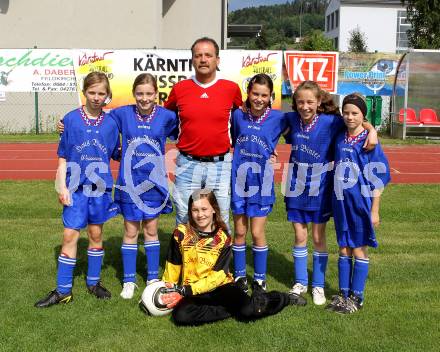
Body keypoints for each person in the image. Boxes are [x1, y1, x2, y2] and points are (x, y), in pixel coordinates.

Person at [284, 81, 378, 306]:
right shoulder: (289, 120)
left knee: (318, 238)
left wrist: (372, 130)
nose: (305, 106)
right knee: (299, 237)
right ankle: (300, 282)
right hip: (295, 186)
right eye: (300, 102)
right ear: (295, 103)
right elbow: (266, 122)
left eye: (309, 101)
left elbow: (354, 118)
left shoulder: (331, 122)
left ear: (318, 102)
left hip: (321, 188)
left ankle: (317, 285)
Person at [159, 188, 306, 326]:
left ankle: (284, 298)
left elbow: (217, 277)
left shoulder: (223, 238)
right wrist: (167, 289)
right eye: (195, 210)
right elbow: (173, 264)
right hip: (193, 289)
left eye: (204, 209)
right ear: (190, 212)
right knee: (181, 316)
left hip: (220, 287)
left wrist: (185, 291)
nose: (200, 214)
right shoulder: (181, 233)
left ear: (213, 210)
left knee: (250, 311)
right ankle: (232, 311)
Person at [35, 72, 120, 308]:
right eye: (92, 92)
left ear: (107, 96)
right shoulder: (70, 119)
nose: (96, 97)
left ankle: (93, 282)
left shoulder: (112, 123)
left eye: (101, 93)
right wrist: (62, 187)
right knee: (69, 235)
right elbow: (63, 157)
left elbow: (116, 153)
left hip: (100, 189)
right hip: (75, 188)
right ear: (84, 92)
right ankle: (63, 291)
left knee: (95, 235)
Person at [108, 73, 178, 299]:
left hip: (154, 182)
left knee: (150, 229)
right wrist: (63, 124)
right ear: (134, 93)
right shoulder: (122, 113)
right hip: (129, 181)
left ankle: (152, 277)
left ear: (156, 94)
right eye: (140, 93)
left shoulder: (167, 116)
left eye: (149, 93)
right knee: (130, 231)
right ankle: (128, 281)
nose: (144, 98)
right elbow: (101, 122)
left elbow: (186, 130)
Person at [164, 37, 243, 227]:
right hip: (187, 163)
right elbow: (166, 118)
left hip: (220, 164)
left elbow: (243, 119)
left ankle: (219, 257)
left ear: (217, 60)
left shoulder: (231, 89)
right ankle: (187, 257)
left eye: (208, 55)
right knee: (184, 215)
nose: (203, 59)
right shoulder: (180, 89)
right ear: (192, 60)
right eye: (198, 55)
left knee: (221, 215)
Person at [326, 93, 390, 314]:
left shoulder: (369, 141)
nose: (349, 117)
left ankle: (357, 297)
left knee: (359, 248)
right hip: (340, 201)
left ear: (363, 115)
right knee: (343, 247)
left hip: (360, 203)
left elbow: (378, 178)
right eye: (346, 112)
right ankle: (343, 295)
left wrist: (375, 210)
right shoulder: (340, 135)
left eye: (355, 113)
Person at [230, 74, 288, 293]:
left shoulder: (279, 118)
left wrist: (369, 128)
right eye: (255, 93)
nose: (259, 99)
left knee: (257, 232)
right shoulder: (237, 115)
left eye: (264, 95)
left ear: (270, 96)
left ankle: (260, 279)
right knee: (239, 231)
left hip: (262, 182)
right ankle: (239, 276)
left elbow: (301, 128)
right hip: (239, 179)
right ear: (249, 93)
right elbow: (234, 138)